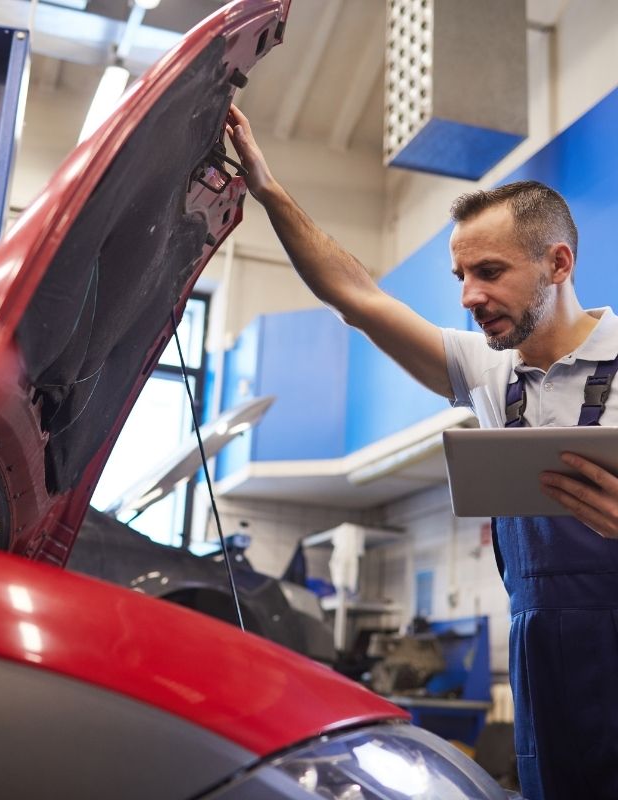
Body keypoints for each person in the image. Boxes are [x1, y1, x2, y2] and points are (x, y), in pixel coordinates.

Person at [226, 104, 618, 800]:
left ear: (558, 263)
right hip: (538, 654)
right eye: (461, 275)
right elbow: (355, 295)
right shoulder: (488, 373)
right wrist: (267, 188)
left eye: (490, 272)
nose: (470, 297)